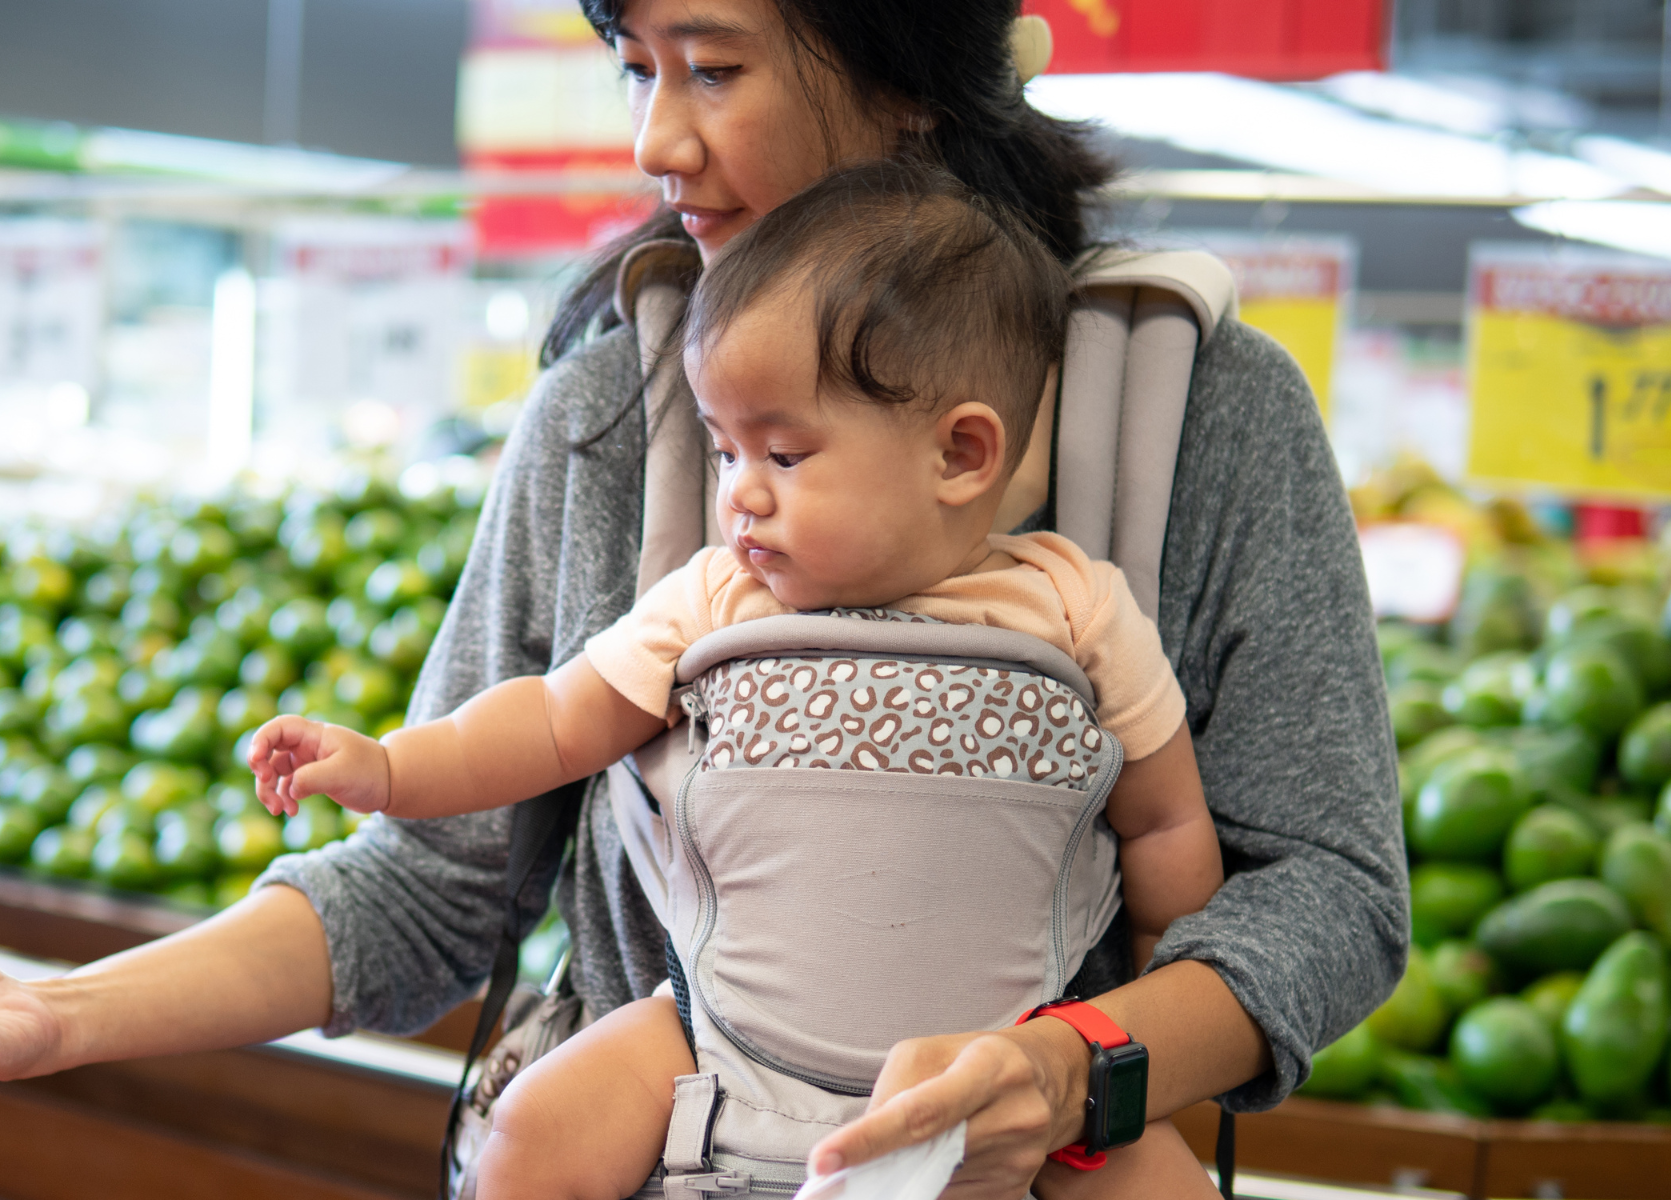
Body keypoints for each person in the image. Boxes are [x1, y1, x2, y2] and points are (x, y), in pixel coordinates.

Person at [0, 2, 1407, 1194]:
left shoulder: (1202, 419)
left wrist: (1076, 1071)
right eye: (634, 63)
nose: (652, 137)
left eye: (712, 63)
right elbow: (430, 888)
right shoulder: (608, 414)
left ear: (902, 67)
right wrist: (44, 1020)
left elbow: (1329, 891)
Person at [247, 162, 1224, 1198]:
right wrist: (390, 768)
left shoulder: (1078, 608)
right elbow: (548, 723)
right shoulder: (714, 598)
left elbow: (1165, 823)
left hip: (1003, 1092)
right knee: (533, 1131)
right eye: (722, 452)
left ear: (962, 454)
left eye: (785, 455)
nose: (740, 497)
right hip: (714, 1057)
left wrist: (1156, 1008)